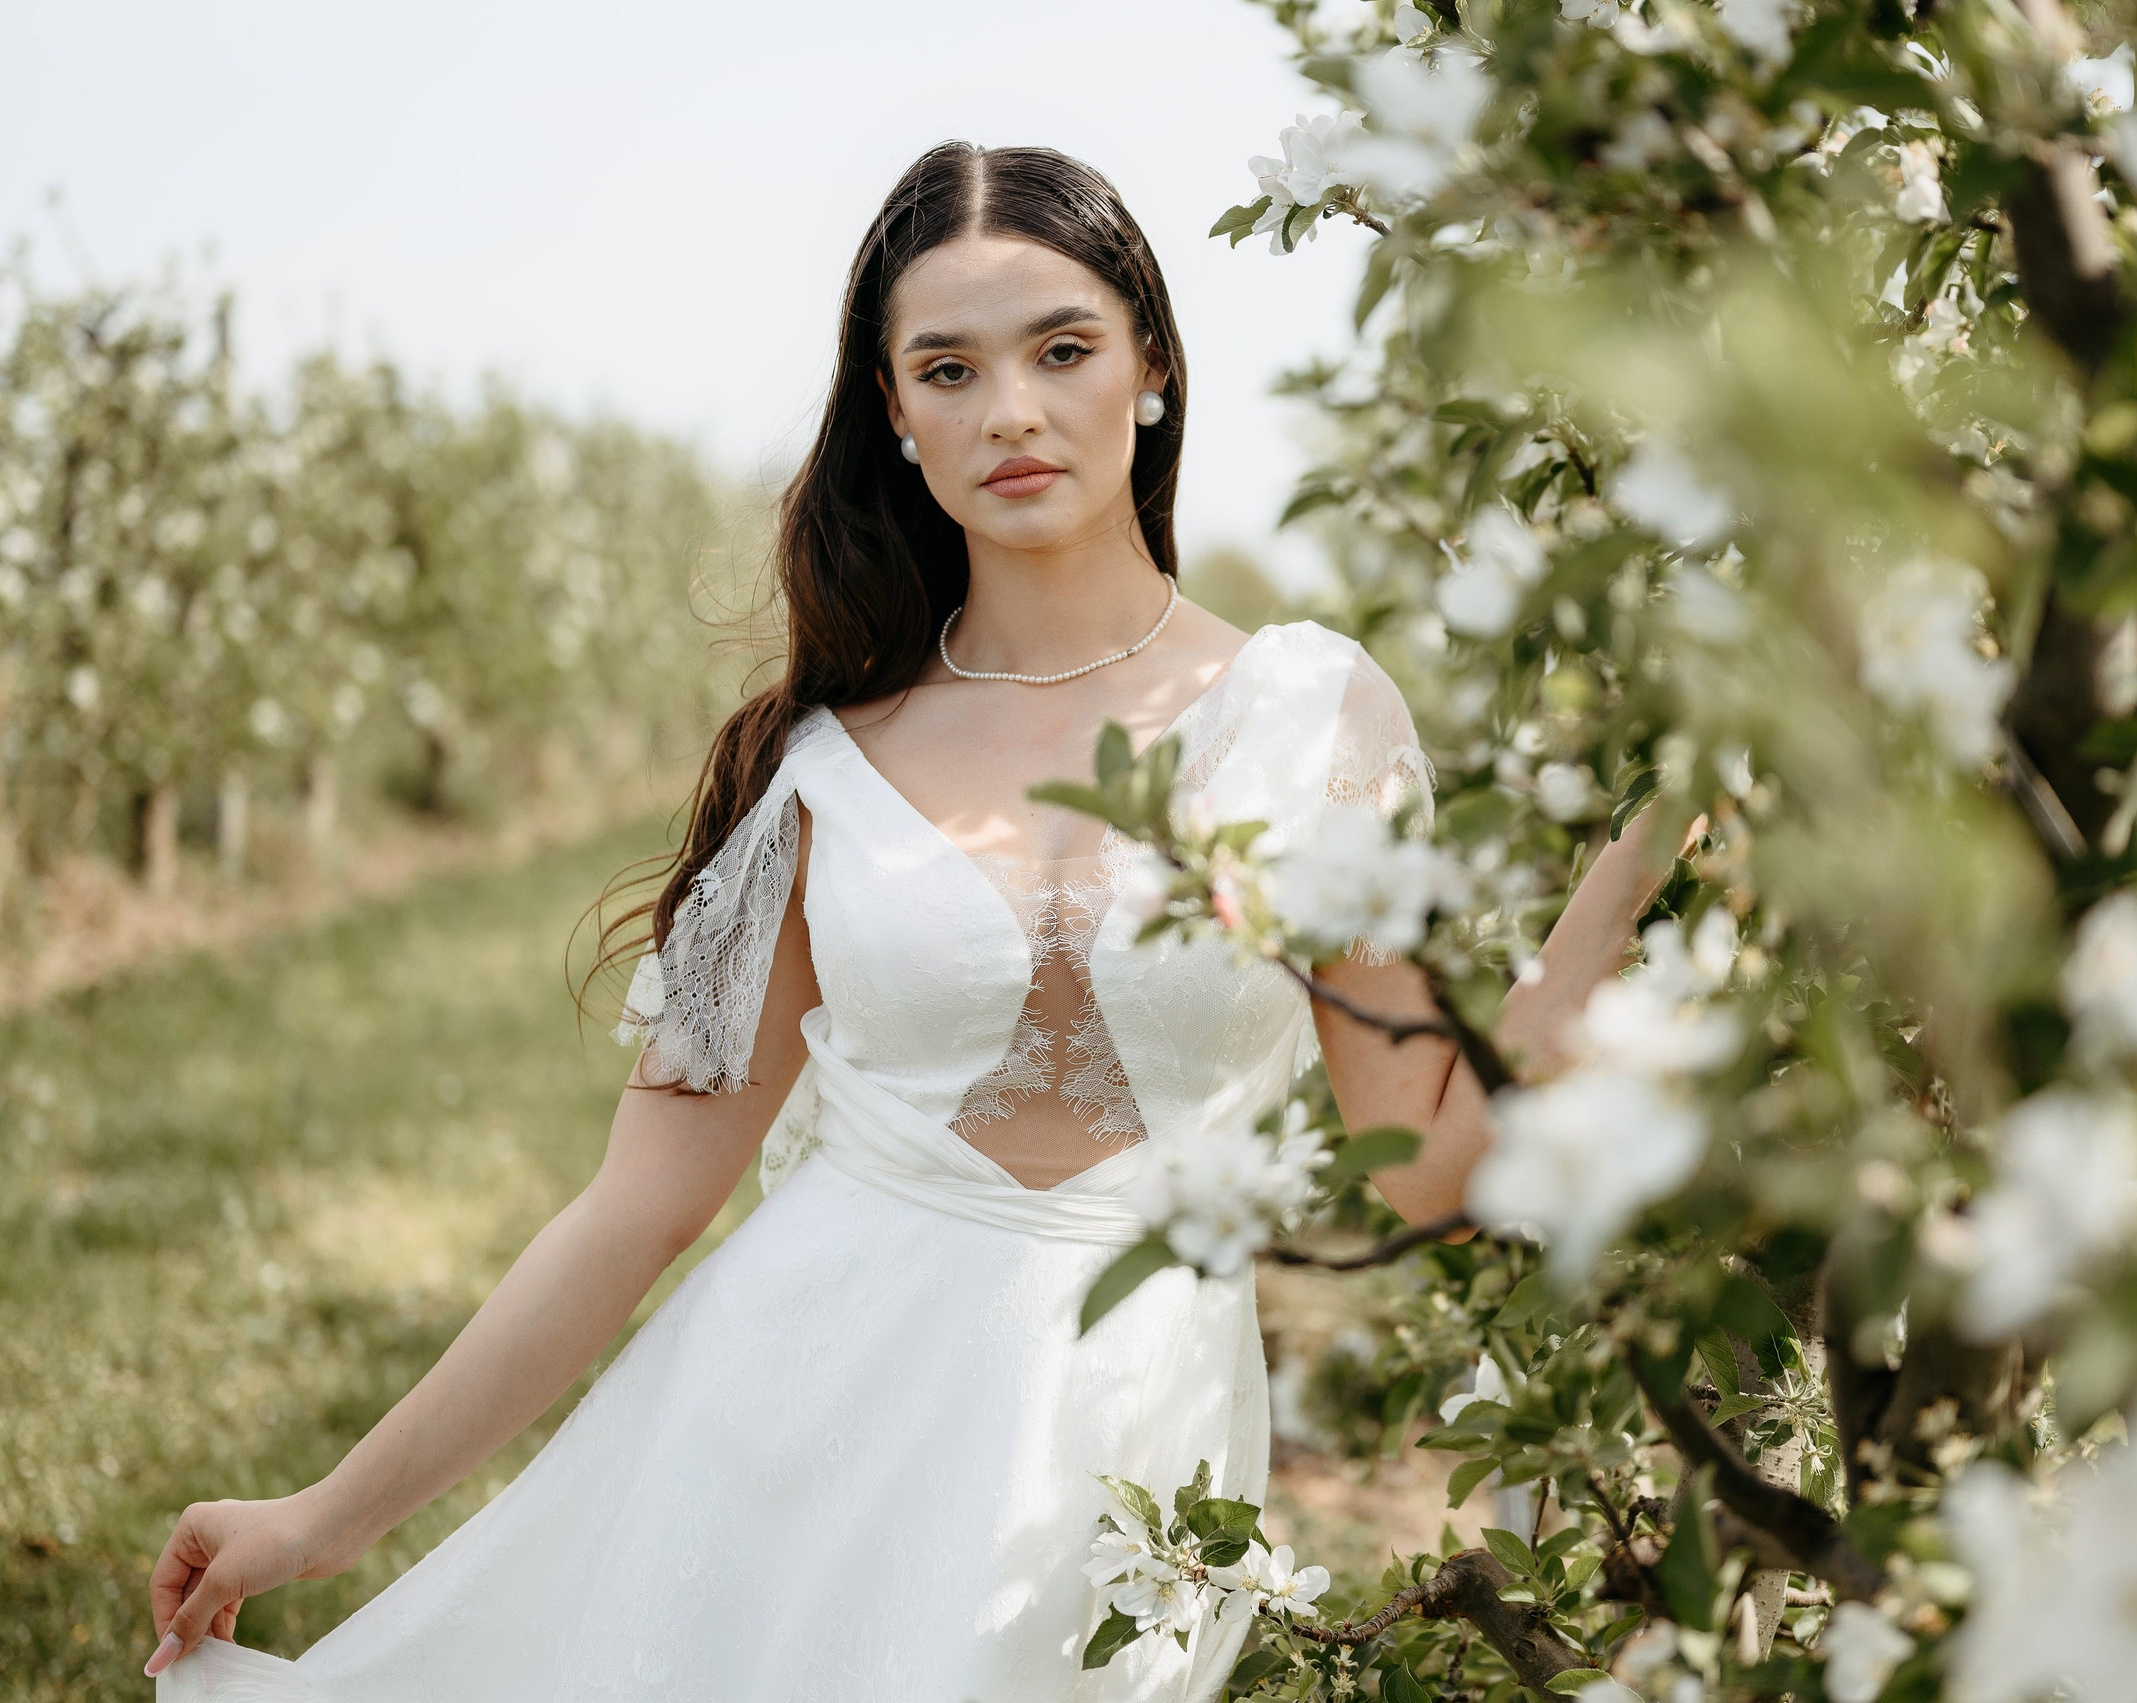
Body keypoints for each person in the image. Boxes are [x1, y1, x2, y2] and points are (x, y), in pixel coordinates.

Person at [144, 141, 1673, 1702]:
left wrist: (1656, 823)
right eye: (949, 369)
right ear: (894, 411)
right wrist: (326, 1517)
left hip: (1124, 1459)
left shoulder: (1312, 714)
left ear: (1151, 364)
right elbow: (634, 1211)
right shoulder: (816, 766)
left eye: (1062, 350)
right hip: (776, 1424)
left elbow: (1426, 1163)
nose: (1010, 409)